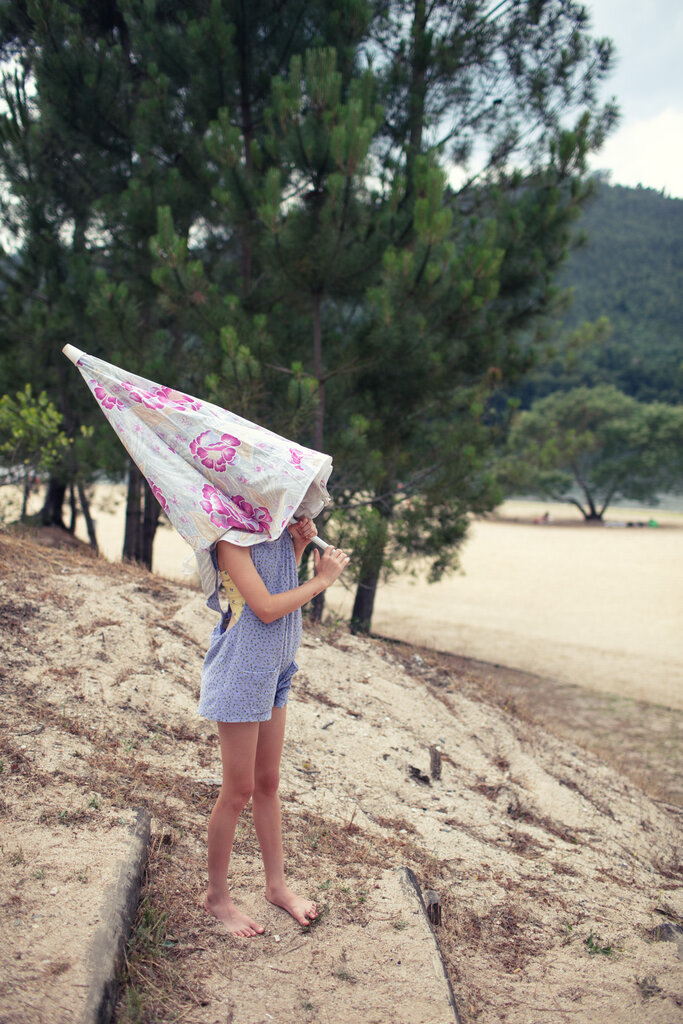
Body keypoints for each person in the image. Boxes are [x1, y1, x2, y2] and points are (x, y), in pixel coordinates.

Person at [198, 517, 349, 937]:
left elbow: (277, 586)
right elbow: (264, 608)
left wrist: (297, 549)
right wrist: (321, 581)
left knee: (267, 783)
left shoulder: (275, 529)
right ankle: (216, 897)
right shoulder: (230, 538)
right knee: (238, 790)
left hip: (276, 668)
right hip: (242, 670)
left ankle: (277, 887)